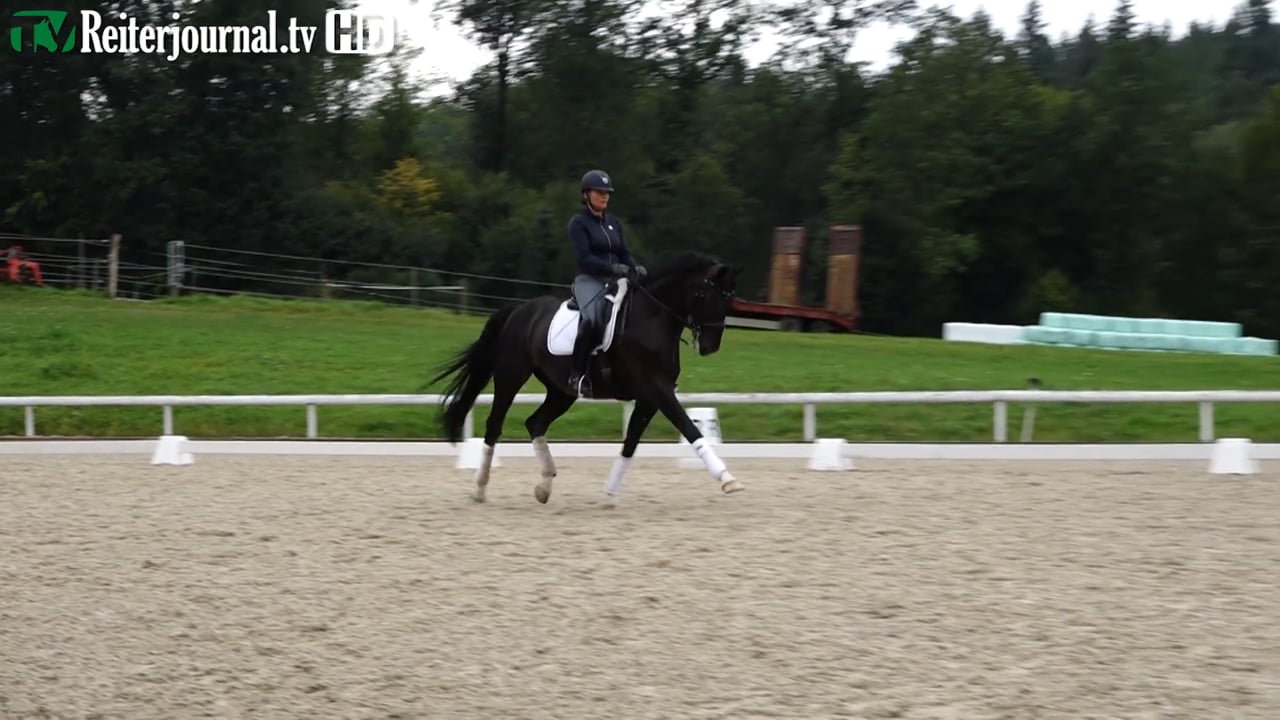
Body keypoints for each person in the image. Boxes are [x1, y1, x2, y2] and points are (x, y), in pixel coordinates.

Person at [567, 169, 646, 398]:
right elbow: (585, 258)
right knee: (592, 319)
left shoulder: (613, 222)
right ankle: (577, 374)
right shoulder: (578, 223)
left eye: (607, 193)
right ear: (586, 194)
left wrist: (634, 267)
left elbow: (624, 252)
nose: (604, 196)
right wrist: (611, 268)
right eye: (599, 192)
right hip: (589, 280)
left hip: (616, 279)